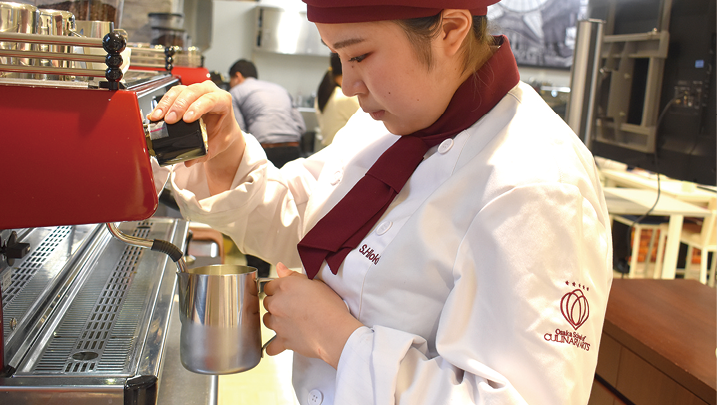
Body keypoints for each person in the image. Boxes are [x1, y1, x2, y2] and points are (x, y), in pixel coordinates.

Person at [149, 1, 613, 404]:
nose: (348, 85)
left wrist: (339, 340)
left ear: (451, 30)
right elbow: (303, 220)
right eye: (338, 57)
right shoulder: (386, 123)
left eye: (360, 55)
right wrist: (227, 150)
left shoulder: (538, 186)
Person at [227, 59, 306, 277]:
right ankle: (288, 273)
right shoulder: (280, 89)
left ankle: (258, 275)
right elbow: (301, 126)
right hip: (291, 147)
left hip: (263, 150)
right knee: (288, 208)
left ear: (237, 76)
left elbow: (238, 132)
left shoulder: (235, 92)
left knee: (255, 211)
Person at [314, 52, 360, 147]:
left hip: (329, 149)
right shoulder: (344, 98)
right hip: (342, 151)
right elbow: (368, 124)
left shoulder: (325, 94)